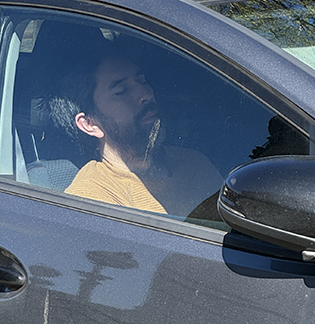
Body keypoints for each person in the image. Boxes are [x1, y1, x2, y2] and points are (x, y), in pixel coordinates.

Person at [54, 49, 221, 216]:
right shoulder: (92, 199)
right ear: (90, 124)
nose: (146, 94)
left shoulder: (194, 162)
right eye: (121, 91)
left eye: (143, 81)